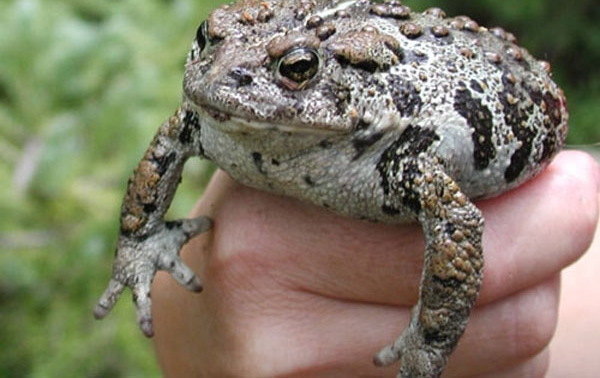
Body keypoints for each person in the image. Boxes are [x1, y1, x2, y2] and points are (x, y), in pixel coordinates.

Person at [152, 150, 599, 377]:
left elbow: (458, 224)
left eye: (296, 69)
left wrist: (430, 342)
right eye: (208, 43)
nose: (221, 74)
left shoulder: (404, 154)